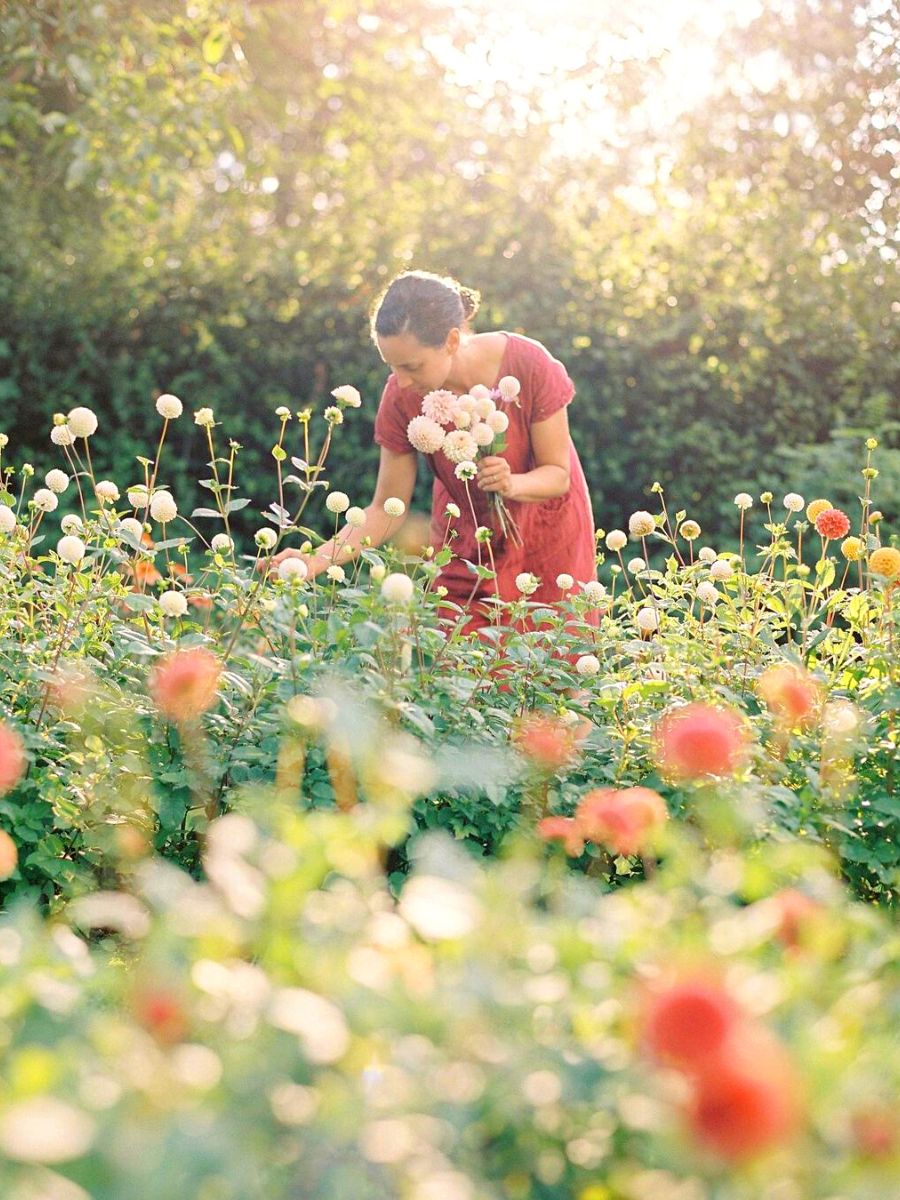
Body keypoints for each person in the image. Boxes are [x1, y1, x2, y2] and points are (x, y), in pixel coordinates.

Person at [272, 270, 598, 630]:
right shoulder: (401, 396)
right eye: (392, 365)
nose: (401, 380)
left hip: (547, 539)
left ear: (452, 340)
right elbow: (386, 508)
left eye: (412, 365)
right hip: (465, 543)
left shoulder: (528, 364)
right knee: (465, 673)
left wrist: (511, 484)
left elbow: (558, 474)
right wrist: (316, 560)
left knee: (553, 665)